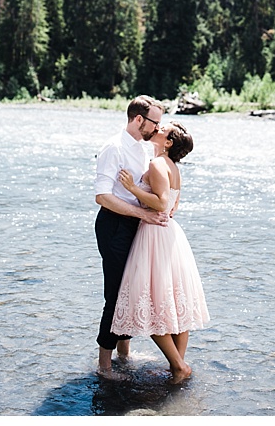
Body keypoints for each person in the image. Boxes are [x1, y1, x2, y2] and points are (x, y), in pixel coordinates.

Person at [111, 120, 209, 383]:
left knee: (148, 302)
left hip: (154, 233)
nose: (159, 128)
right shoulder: (173, 168)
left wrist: (132, 188)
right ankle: (178, 364)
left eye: (164, 129)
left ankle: (178, 365)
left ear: (168, 143)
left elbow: (163, 202)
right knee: (174, 302)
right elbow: (174, 204)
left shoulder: (156, 164)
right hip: (171, 233)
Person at [93, 95, 168, 380]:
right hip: (113, 225)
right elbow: (102, 196)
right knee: (115, 293)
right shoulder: (113, 148)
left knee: (131, 291)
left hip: (133, 224)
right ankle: (104, 366)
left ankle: (124, 353)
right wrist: (143, 214)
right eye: (154, 122)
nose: (157, 128)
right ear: (139, 119)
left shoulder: (142, 148)